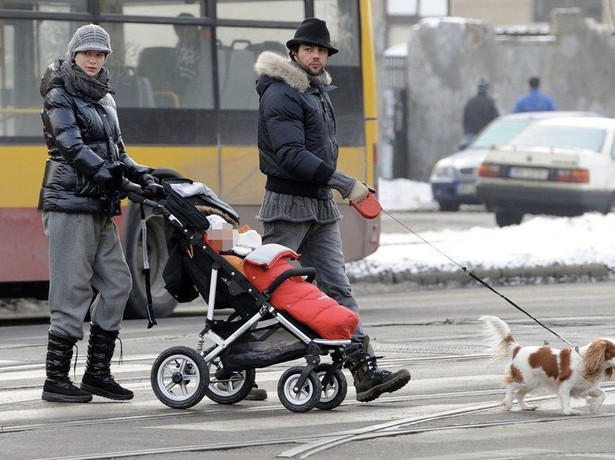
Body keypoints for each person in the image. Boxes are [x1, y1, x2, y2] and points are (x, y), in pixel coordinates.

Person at [254, 18, 411, 403]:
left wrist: (339, 185)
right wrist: (345, 183)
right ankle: (236, 364)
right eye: (309, 49)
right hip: (288, 207)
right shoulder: (281, 93)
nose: (316, 56)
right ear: (294, 52)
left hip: (321, 208)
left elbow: (317, 152)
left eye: (322, 51)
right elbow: (290, 155)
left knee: (337, 288)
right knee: (269, 293)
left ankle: (364, 369)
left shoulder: (315, 92)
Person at [38, 24, 164, 403]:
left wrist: (141, 174)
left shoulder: (105, 97)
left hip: (100, 204)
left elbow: (118, 151)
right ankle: (55, 379)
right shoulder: (59, 94)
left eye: (100, 54)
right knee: (71, 289)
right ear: (74, 54)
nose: (93, 60)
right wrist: (114, 178)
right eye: (87, 53)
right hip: (70, 203)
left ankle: (96, 373)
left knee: (118, 285)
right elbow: (72, 148)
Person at [461, 78, 499, 148]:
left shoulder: (470, 102)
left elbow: (465, 119)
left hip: (471, 136)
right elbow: (496, 120)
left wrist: (467, 132)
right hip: (485, 136)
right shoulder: (490, 103)